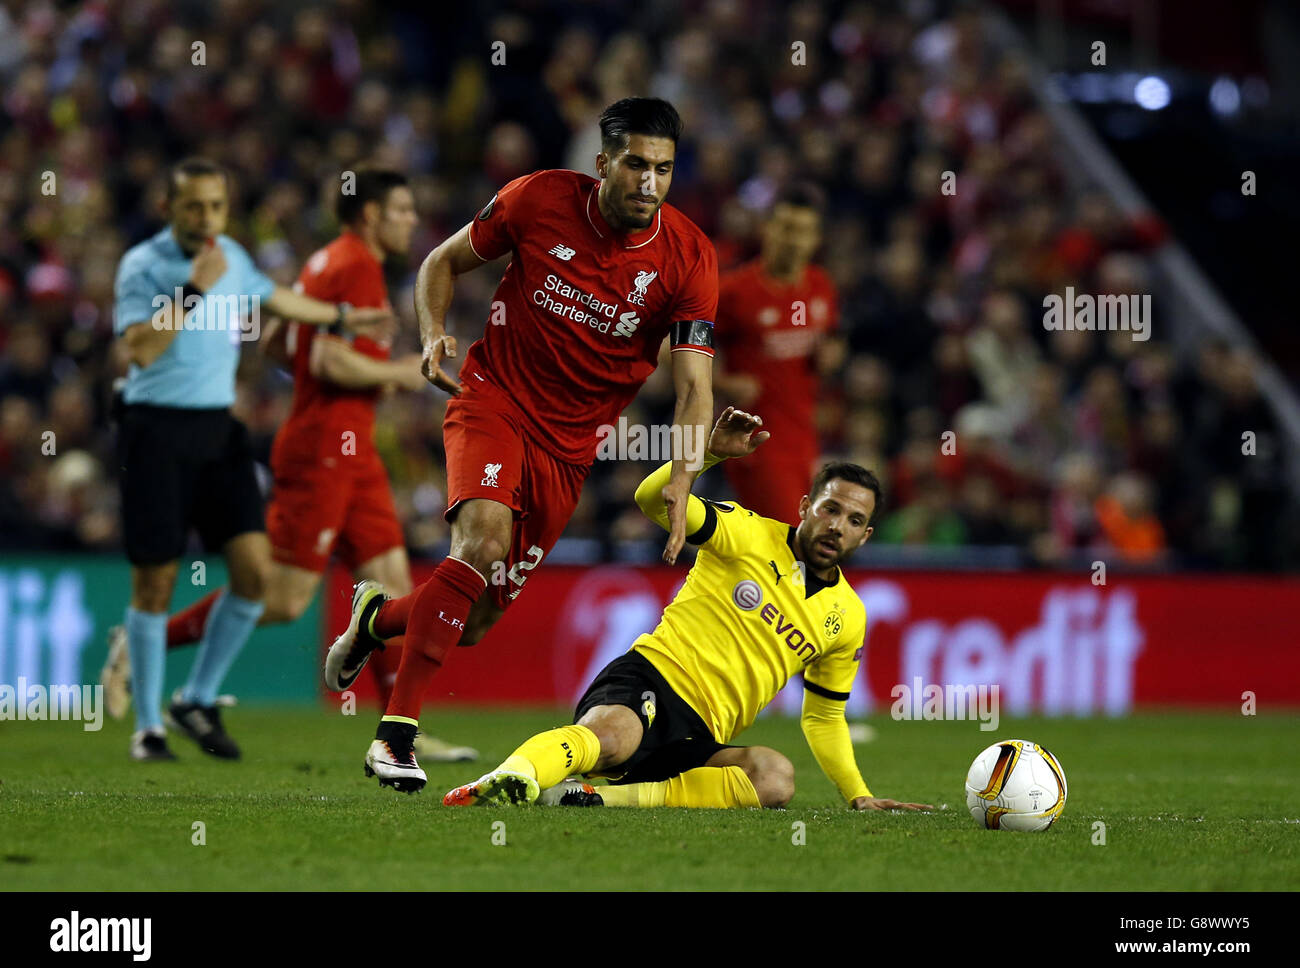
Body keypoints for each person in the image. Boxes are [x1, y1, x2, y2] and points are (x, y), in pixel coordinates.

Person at [323, 97, 719, 793]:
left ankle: (376, 618)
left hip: (569, 453)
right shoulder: (537, 199)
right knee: (479, 541)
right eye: (634, 164)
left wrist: (685, 474)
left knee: (471, 622)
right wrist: (432, 332)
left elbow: (693, 390)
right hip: (493, 399)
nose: (648, 182)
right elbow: (438, 265)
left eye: (663, 168)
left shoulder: (689, 257)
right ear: (602, 163)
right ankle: (395, 735)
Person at [101, 165, 476, 762]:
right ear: (372, 214)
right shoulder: (353, 264)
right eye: (403, 211)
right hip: (324, 447)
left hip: (354, 449)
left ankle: (400, 728)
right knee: (282, 598)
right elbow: (325, 361)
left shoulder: (330, 261)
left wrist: (337, 345)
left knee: (393, 587)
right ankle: (142, 645)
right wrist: (394, 372)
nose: (412, 220)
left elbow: (278, 337)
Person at [442, 408, 933, 813]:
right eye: (830, 509)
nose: (836, 527)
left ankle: (595, 798)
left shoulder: (847, 616)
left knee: (775, 779)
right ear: (805, 506)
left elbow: (824, 717)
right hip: (652, 678)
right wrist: (710, 452)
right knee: (614, 737)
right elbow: (652, 500)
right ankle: (510, 777)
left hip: (701, 734)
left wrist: (859, 794)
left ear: (865, 535)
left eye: (854, 520)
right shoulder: (745, 532)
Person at [715, 183, 843, 524]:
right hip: (758, 443)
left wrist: (833, 355)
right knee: (789, 541)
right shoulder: (733, 291)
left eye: (803, 232)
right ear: (766, 228)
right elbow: (673, 349)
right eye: (786, 228)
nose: (793, 240)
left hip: (807, 439)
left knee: (794, 546)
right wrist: (724, 382)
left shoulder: (820, 286)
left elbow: (832, 339)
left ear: (816, 239)